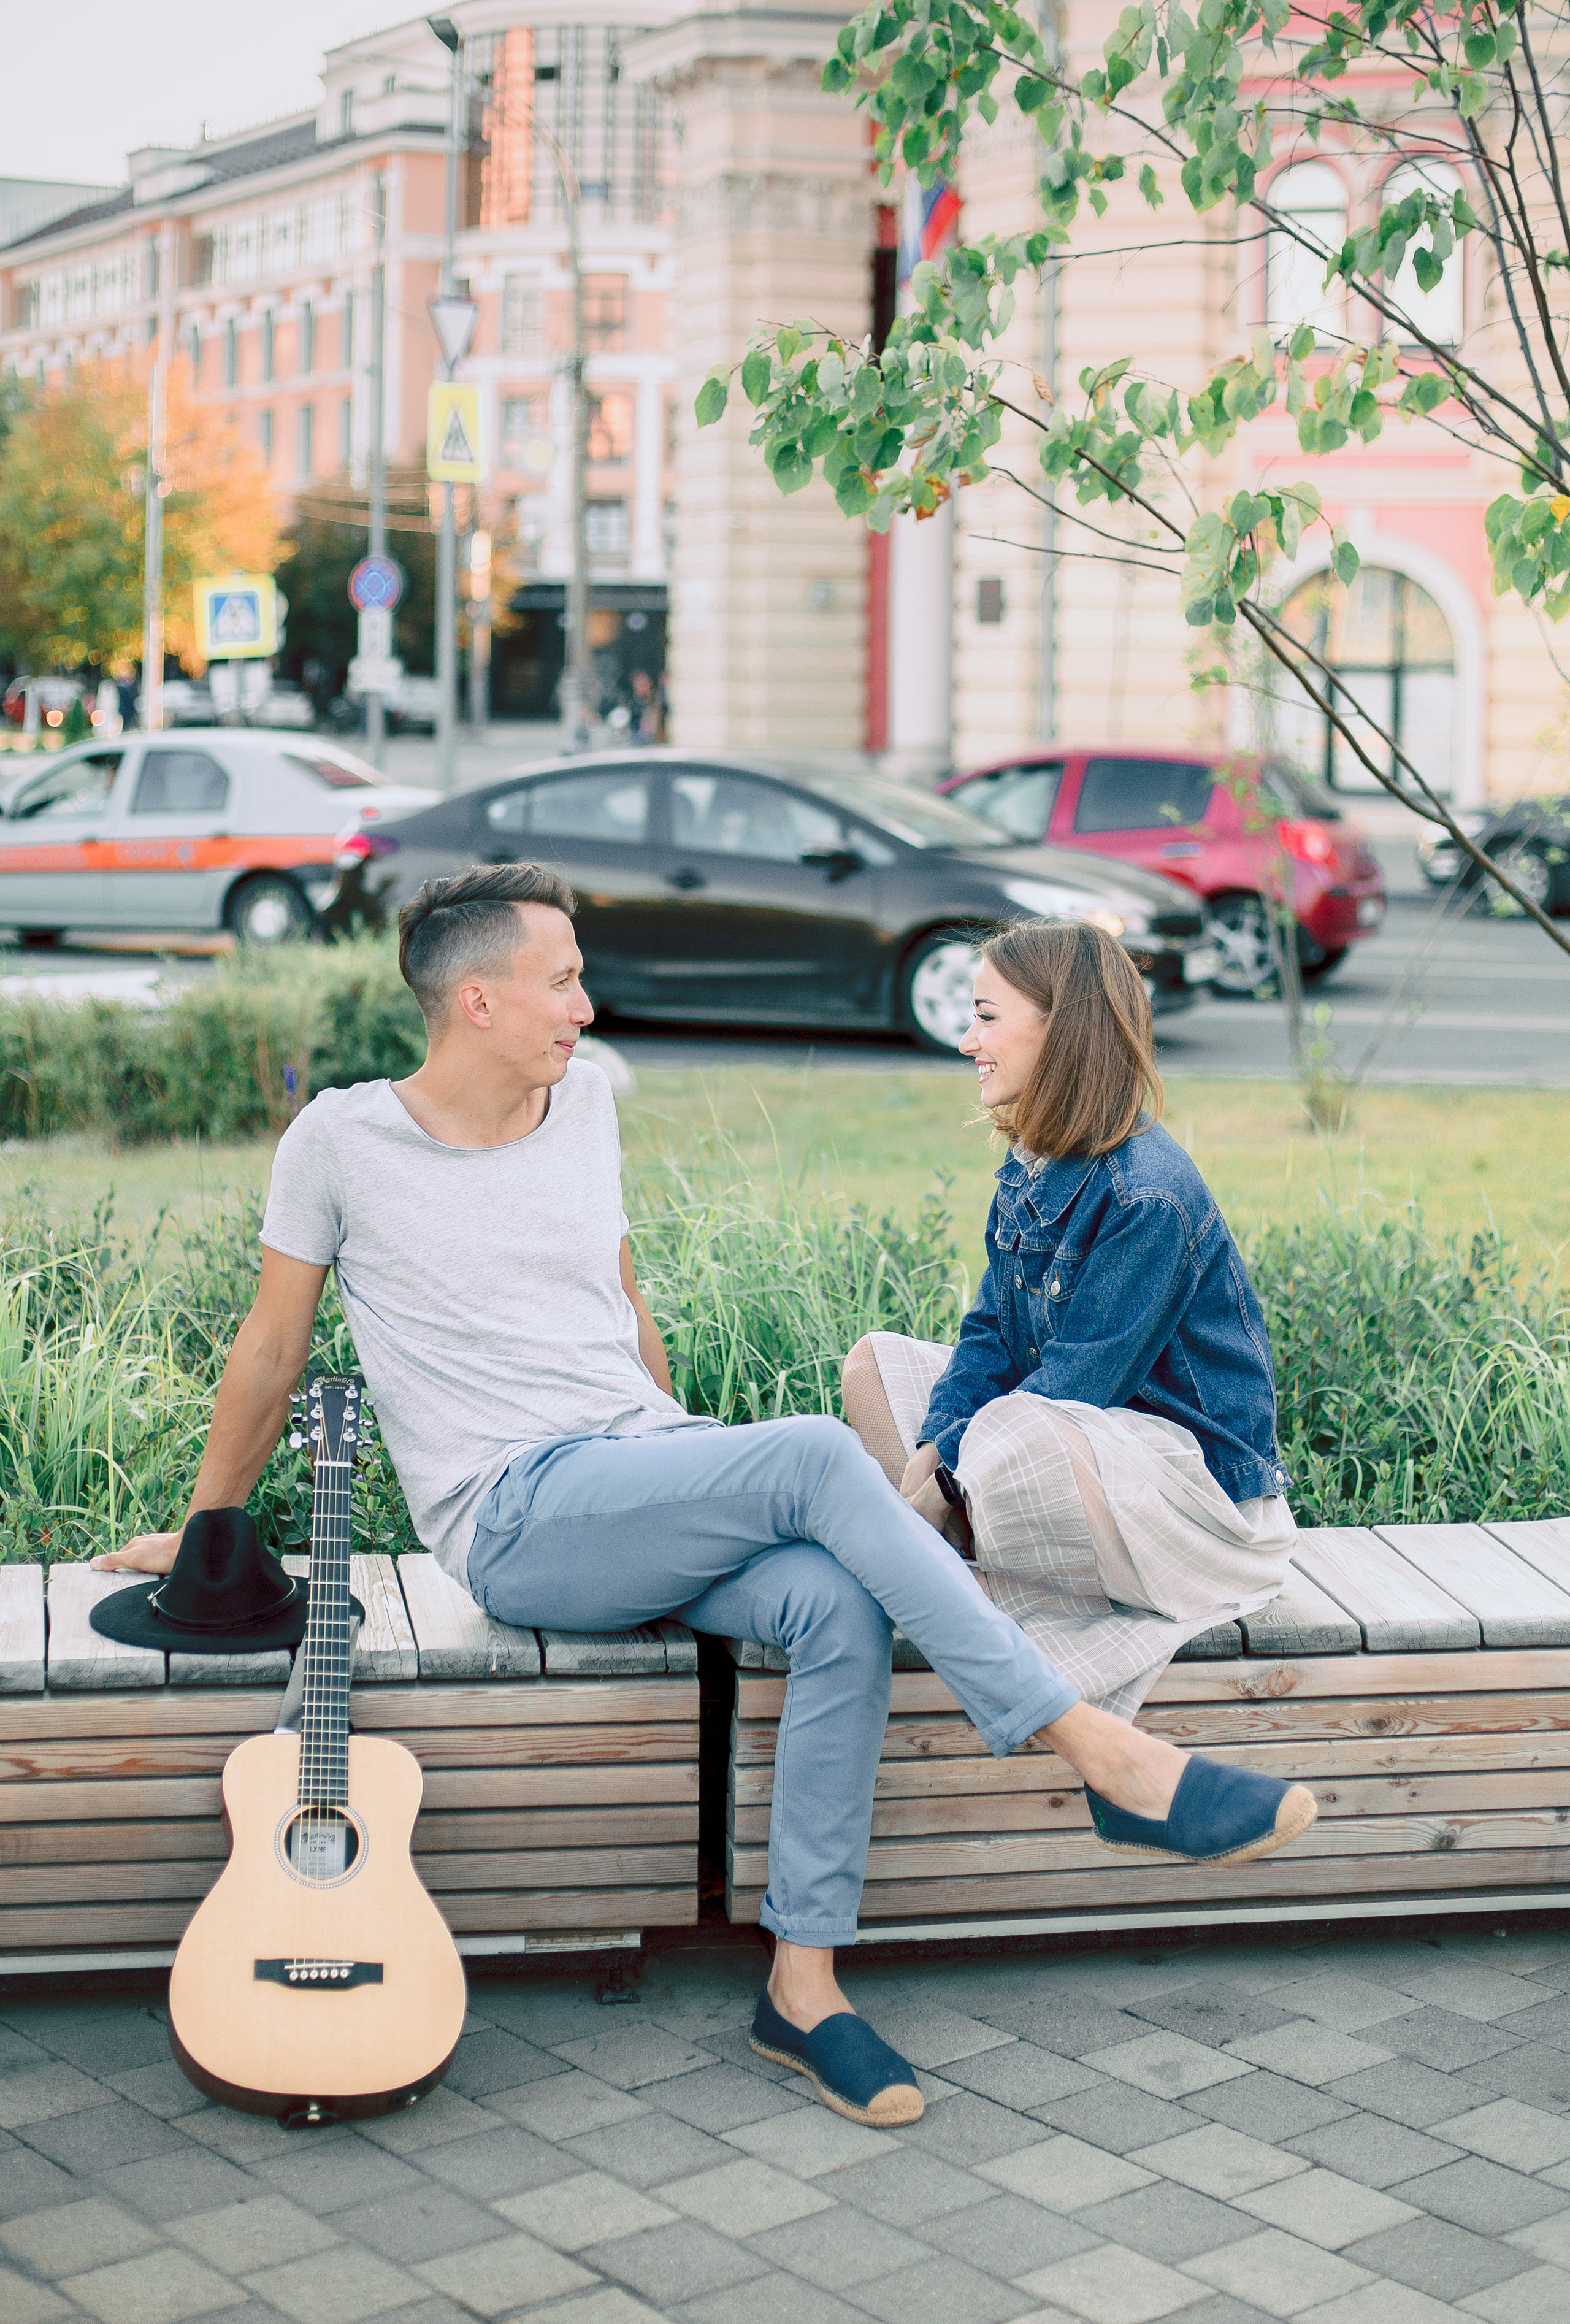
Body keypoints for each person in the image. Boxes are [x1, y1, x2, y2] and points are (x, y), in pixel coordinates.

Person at [96, 867, 1315, 2129]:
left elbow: (619, 1307)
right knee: (805, 1457)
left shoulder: (581, 1108)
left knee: (836, 1599)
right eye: (562, 979)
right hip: (515, 1519)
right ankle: (1095, 1747)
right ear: (476, 1000)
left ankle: (802, 1985)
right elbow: (270, 1351)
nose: (585, 1003)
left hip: (634, 1475)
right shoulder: (342, 1143)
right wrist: (204, 1532)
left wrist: (679, 1456)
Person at [844, 917, 1298, 1726]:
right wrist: (935, 1444)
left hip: (1202, 1511)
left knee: (1021, 1430)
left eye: (986, 1016)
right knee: (875, 1366)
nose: (965, 1041)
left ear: (1064, 1028)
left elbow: (1077, 1387)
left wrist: (944, 1476)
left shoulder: (1149, 1196)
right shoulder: (1033, 1166)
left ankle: (944, 1564)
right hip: (1086, 1456)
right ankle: (951, 1560)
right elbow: (988, 1335)